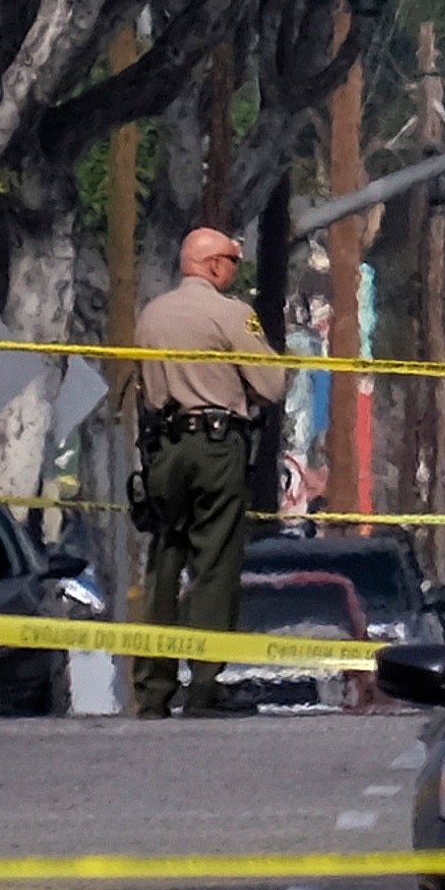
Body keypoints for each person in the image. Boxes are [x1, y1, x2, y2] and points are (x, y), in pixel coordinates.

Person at [128, 226, 289, 717]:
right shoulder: (231, 313)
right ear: (215, 265)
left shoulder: (151, 314)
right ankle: (203, 684)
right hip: (216, 446)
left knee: (164, 561)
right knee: (214, 562)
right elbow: (272, 382)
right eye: (233, 262)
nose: (235, 272)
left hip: (162, 449)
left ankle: (153, 689)